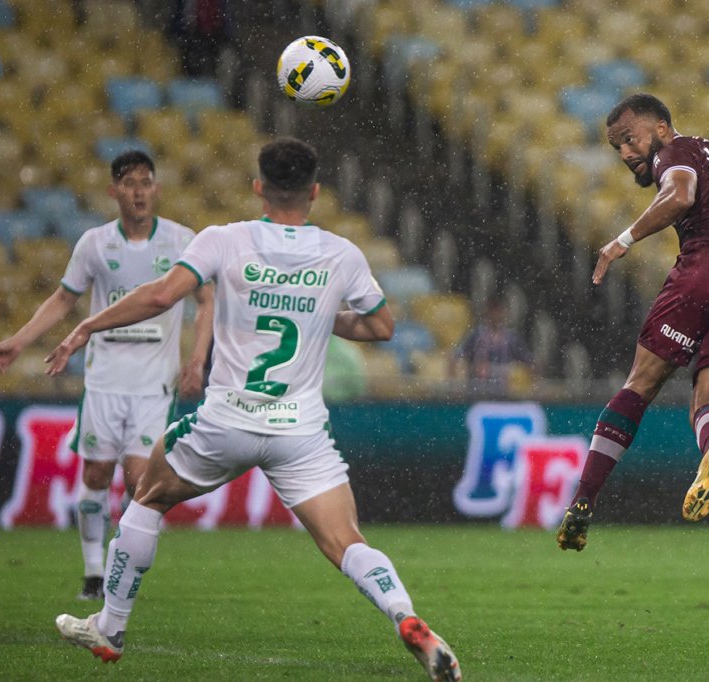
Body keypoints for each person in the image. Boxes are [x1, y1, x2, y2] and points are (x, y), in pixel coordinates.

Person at [46, 138, 461, 681]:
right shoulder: (341, 252)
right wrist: (316, 313)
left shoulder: (225, 239)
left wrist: (87, 325)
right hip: (300, 431)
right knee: (347, 542)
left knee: (146, 495)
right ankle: (406, 617)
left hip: (226, 421)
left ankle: (111, 625)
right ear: (315, 192)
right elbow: (381, 327)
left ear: (258, 187)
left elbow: (159, 295)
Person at [556, 93, 709, 551]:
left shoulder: (677, 152)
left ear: (662, 128)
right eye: (616, 147)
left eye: (629, 139)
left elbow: (681, 194)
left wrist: (623, 239)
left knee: (641, 383)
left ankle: (583, 501)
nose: (625, 154)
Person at [0, 151, 215, 601]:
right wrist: (20, 338)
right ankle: (92, 571)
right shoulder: (94, 244)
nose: (139, 191)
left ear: (157, 188)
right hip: (105, 378)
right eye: (129, 183)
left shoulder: (181, 241)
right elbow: (64, 299)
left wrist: (197, 358)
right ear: (114, 192)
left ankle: (116, 565)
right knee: (95, 474)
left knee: (138, 480)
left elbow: (206, 299)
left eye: (147, 182)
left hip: (154, 383)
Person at [449, 297, 533, 396]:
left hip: (502, 390)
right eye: (493, 312)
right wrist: (454, 384)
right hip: (477, 390)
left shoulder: (510, 338)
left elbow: (529, 361)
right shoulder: (477, 335)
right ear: (487, 313)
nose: (496, 315)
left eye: (499, 312)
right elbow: (456, 356)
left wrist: (532, 385)